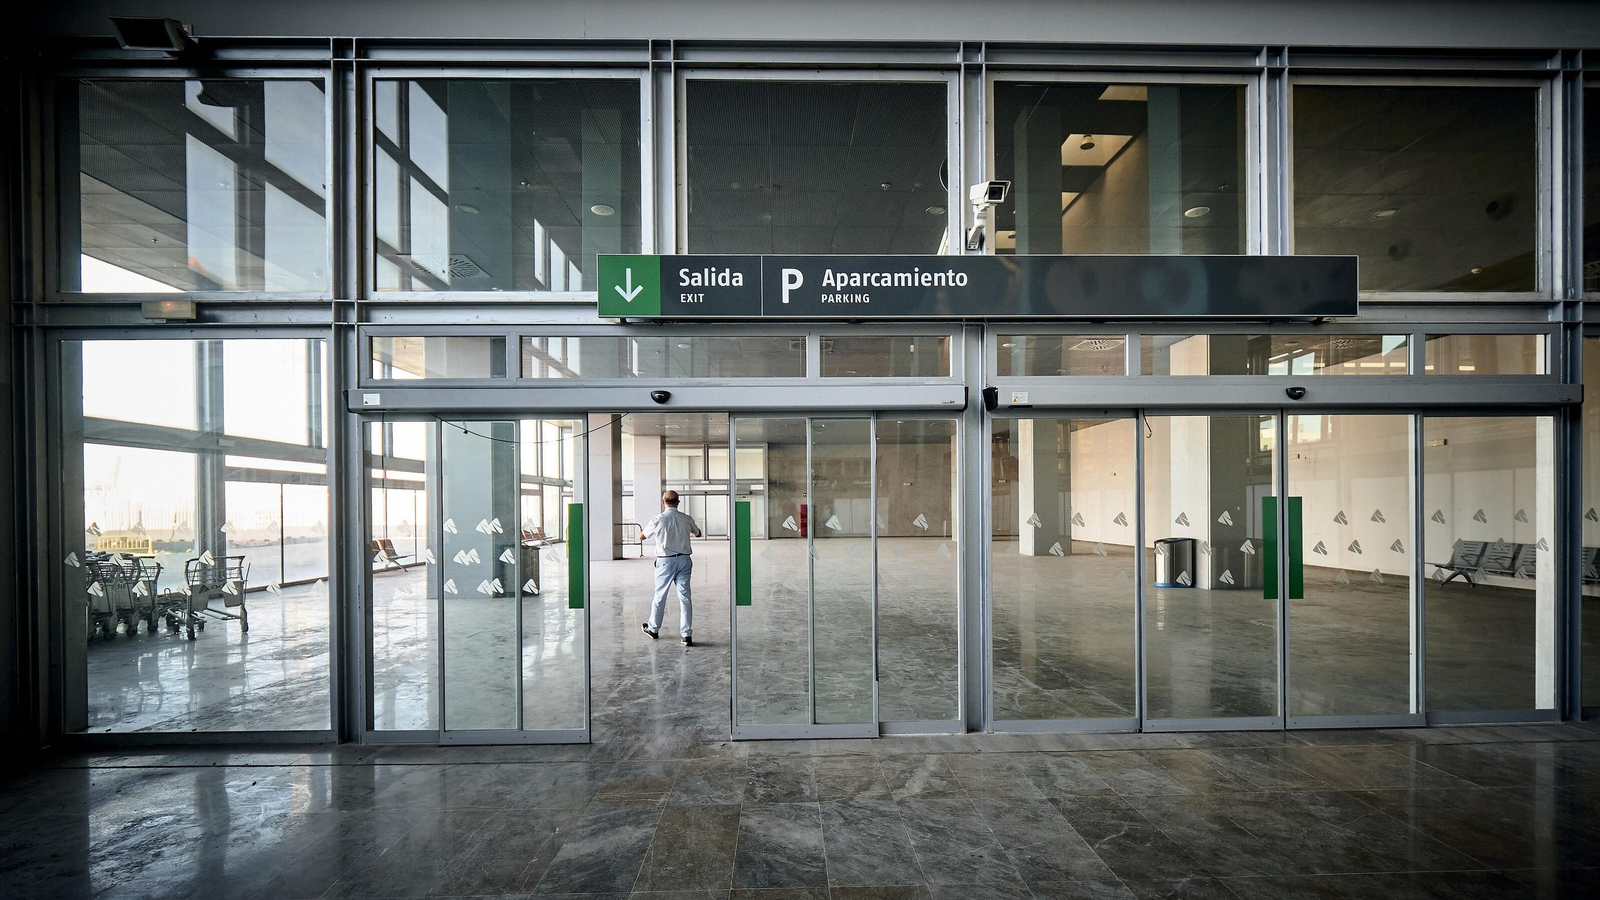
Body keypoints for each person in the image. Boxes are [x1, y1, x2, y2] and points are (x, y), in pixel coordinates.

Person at [641, 489, 700, 646]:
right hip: (684, 560)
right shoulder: (686, 518)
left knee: (660, 596)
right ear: (678, 502)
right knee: (685, 597)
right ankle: (686, 635)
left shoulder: (657, 519)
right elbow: (698, 533)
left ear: (663, 502)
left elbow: (642, 536)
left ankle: (653, 629)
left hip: (665, 562)